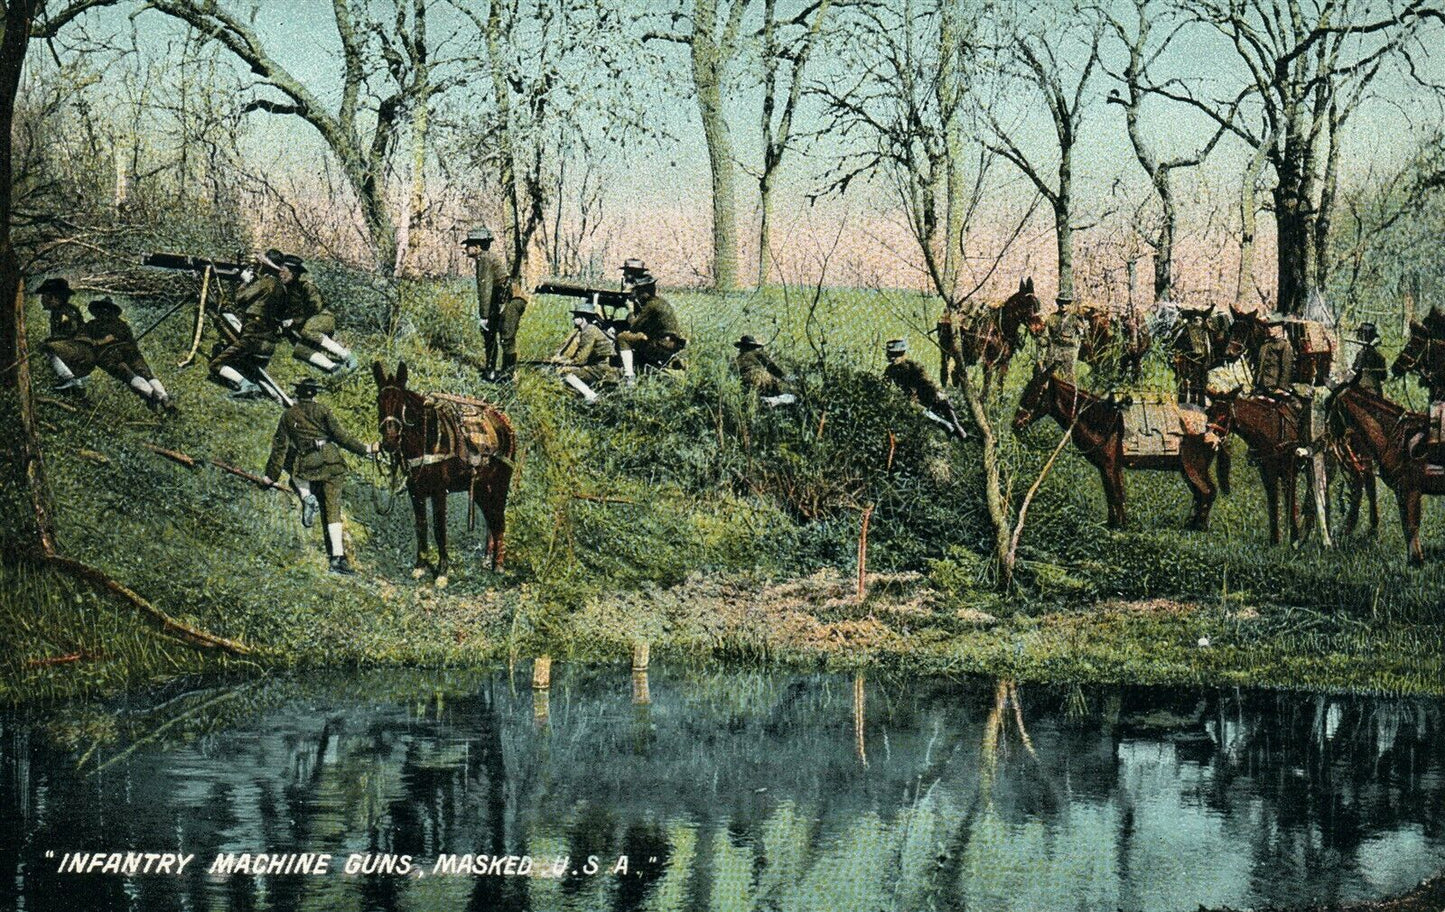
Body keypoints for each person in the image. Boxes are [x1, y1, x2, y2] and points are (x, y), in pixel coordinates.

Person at [262, 377, 379, 575]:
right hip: (332, 462)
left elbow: (280, 448)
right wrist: (366, 449)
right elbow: (342, 437)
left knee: (295, 471)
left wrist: (270, 476)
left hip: (308, 463)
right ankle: (337, 559)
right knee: (333, 509)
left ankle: (307, 497)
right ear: (314, 394)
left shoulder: (288, 416)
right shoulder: (324, 410)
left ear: (298, 395)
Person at [211, 251, 285, 397]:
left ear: (265, 266)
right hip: (269, 342)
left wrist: (245, 281)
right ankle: (254, 384)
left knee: (215, 364)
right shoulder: (281, 287)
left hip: (252, 338)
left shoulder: (265, 283)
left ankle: (246, 385)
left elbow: (239, 299)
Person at [81, 297, 174, 412]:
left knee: (129, 374)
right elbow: (132, 342)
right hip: (128, 351)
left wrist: (100, 342)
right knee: (144, 373)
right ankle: (163, 396)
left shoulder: (92, 325)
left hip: (111, 354)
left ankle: (153, 394)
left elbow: (84, 341)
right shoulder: (121, 324)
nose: (104, 314)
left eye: (106, 311)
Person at [276, 253, 357, 374]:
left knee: (307, 330)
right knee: (300, 350)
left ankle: (347, 356)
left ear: (293, 272)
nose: (280, 274)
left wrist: (294, 320)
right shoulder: (286, 289)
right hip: (307, 324)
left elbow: (315, 306)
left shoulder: (306, 286)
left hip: (323, 317)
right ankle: (334, 368)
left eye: (283, 271)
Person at [462, 227, 525, 381]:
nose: (465, 248)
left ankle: (508, 375)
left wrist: (483, 316)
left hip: (512, 301)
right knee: (489, 334)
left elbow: (485, 289)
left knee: (506, 337)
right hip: (501, 301)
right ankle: (491, 371)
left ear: (477, 246)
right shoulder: (484, 258)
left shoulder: (484, 258)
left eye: (468, 244)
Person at [883, 339, 968, 441]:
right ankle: (946, 425)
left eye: (897, 355)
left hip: (925, 392)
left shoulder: (913, 366)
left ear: (903, 354)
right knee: (917, 408)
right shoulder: (890, 370)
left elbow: (926, 380)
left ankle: (957, 426)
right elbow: (885, 385)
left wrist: (936, 392)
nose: (894, 358)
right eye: (891, 355)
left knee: (943, 400)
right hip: (911, 398)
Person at [615, 269, 684, 386]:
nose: (636, 294)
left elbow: (633, 326)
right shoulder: (660, 302)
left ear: (644, 292)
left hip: (661, 346)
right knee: (640, 337)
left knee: (623, 337)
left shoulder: (651, 306)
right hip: (672, 343)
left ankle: (629, 376)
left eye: (637, 291)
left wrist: (630, 310)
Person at [37, 277, 94, 393]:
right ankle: (73, 380)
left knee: (48, 347)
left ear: (54, 297)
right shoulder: (57, 312)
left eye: (44, 296)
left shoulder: (66, 311)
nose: (42, 299)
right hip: (76, 350)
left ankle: (70, 379)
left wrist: (49, 342)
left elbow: (70, 332)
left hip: (81, 351)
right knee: (49, 347)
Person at [551, 301, 616, 402]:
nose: (573, 319)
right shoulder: (589, 329)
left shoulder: (589, 331)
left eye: (576, 316)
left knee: (563, 372)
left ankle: (591, 396)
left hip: (599, 369)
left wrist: (563, 361)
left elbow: (581, 359)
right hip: (599, 367)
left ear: (583, 318)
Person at [733, 335, 795, 406]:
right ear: (753, 346)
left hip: (745, 383)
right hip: (760, 379)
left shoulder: (737, 359)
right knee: (779, 389)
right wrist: (784, 378)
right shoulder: (757, 354)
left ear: (741, 347)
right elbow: (772, 368)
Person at [1170, 307, 1213, 405]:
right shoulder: (1186, 329)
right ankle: (1183, 400)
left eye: (1199, 320)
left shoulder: (1205, 331)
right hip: (1187, 358)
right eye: (1195, 320)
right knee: (1184, 381)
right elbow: (1177, 343)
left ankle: (1198, 401)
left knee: (1200, 381)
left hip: (1201, 359)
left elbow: (1209, 346)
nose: (1197, 323)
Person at [1037, 296, 1083, 381]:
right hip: (1053, 351)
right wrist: (1041, 341)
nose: (1063, 305)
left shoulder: (1075, 319)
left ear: (1069, 304)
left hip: (1068, 352)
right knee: (1048, 378)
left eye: (1066, 302)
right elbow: (1045, 336)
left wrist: (1074, 345)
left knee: (1068, 379)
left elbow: (1082, 337)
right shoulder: (1052, 317)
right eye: (1061, 302)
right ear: (1058, 303)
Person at [1254, 313, 1296, 398]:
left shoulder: (1285, 346)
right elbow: (1259, 366)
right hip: (1261, 388)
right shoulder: (1264, 345)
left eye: (1272, 326)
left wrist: (1281, 388)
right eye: (1268, 327)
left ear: (1280, 328)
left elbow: (1287, 368)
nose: (1269, 329)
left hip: (1275, 388)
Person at [1350, 322, 1387, 395]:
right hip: (1377, 392)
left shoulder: (1362, 354)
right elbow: (1384, 376)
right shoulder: (1380, 357)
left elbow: (1355, 371)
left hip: (1363, 391)